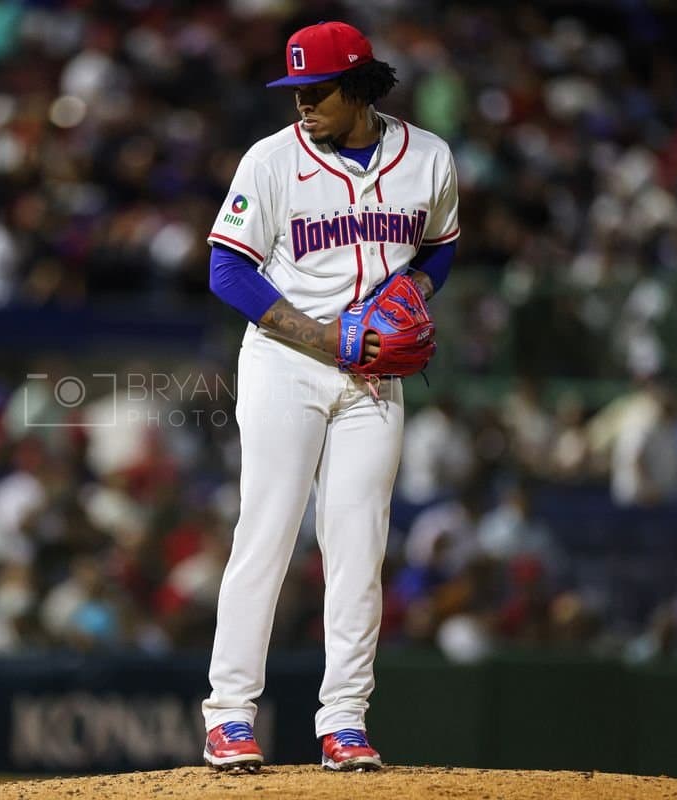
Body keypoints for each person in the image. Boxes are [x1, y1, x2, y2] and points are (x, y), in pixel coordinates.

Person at [201, 21, 460, 772]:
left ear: (359, 89)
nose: (302, 104)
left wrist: (409, 292)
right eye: (294, 90)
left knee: (358, 544)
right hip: (286, 362)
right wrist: (326, 338)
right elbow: (228, 271)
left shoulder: (431, 158)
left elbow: (439, 246)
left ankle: (344, 721)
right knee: (269, 531)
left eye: (316, 90)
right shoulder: (272, 159)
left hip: (374, 372)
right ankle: (229, 715)